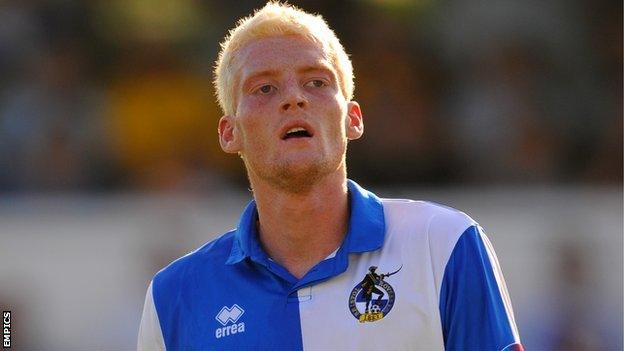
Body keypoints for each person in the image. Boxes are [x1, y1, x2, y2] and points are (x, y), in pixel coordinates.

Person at [138, 2, 524, 350]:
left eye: (316, 82)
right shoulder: (173, 296)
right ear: (229, 133)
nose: (295, 98)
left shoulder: (444, 244)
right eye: (265, 88)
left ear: (352, 119)